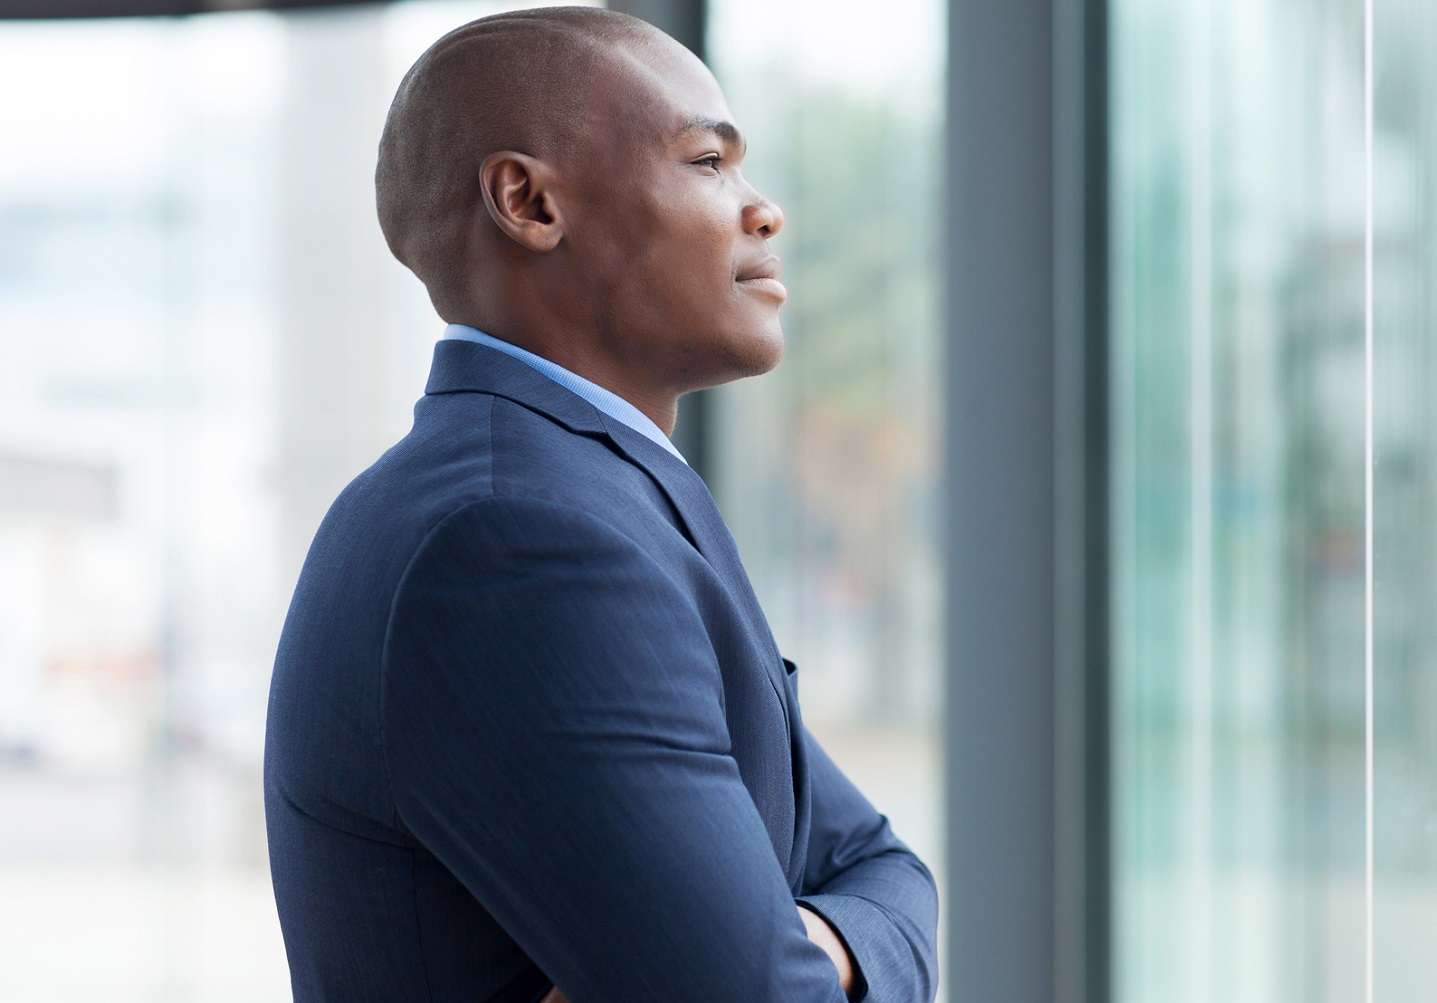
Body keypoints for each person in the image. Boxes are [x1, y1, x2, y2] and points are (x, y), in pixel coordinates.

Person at [262, 8, 937, 1001]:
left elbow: (887, 869)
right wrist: (811, 948)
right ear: (528, 202)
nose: (763, 210)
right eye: (709, 161)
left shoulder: (557, 496)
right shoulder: (520, 542)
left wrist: (817, 945)